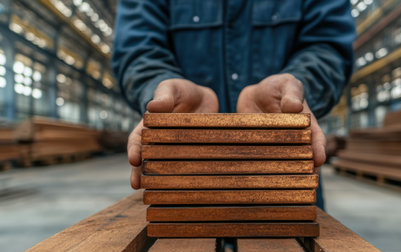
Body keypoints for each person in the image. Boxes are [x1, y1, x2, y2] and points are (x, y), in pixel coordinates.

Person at [112, 0, 355, 209]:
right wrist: (160, 89)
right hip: (183, 179)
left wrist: (298, 89)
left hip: (282, 175)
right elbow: (137, 48)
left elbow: (329, 45)